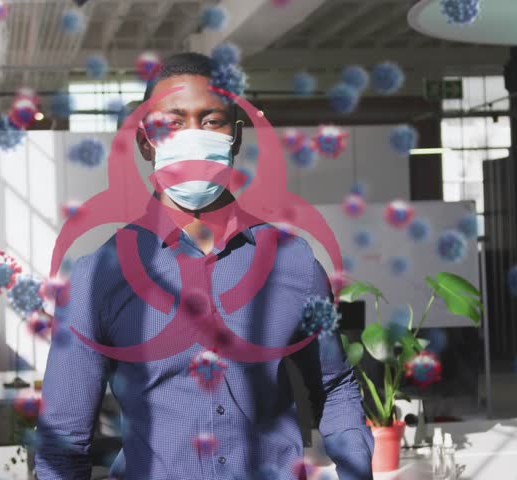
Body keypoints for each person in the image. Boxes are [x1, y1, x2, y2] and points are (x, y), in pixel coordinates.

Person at [36, 52, 373, 480]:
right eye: (172, 123)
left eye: (211, 120)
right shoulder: (97, 278)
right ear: (145, 141)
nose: (193, 136)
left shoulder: (293, 263)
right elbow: (62, 441)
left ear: (234, 136)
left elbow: (333, 385)